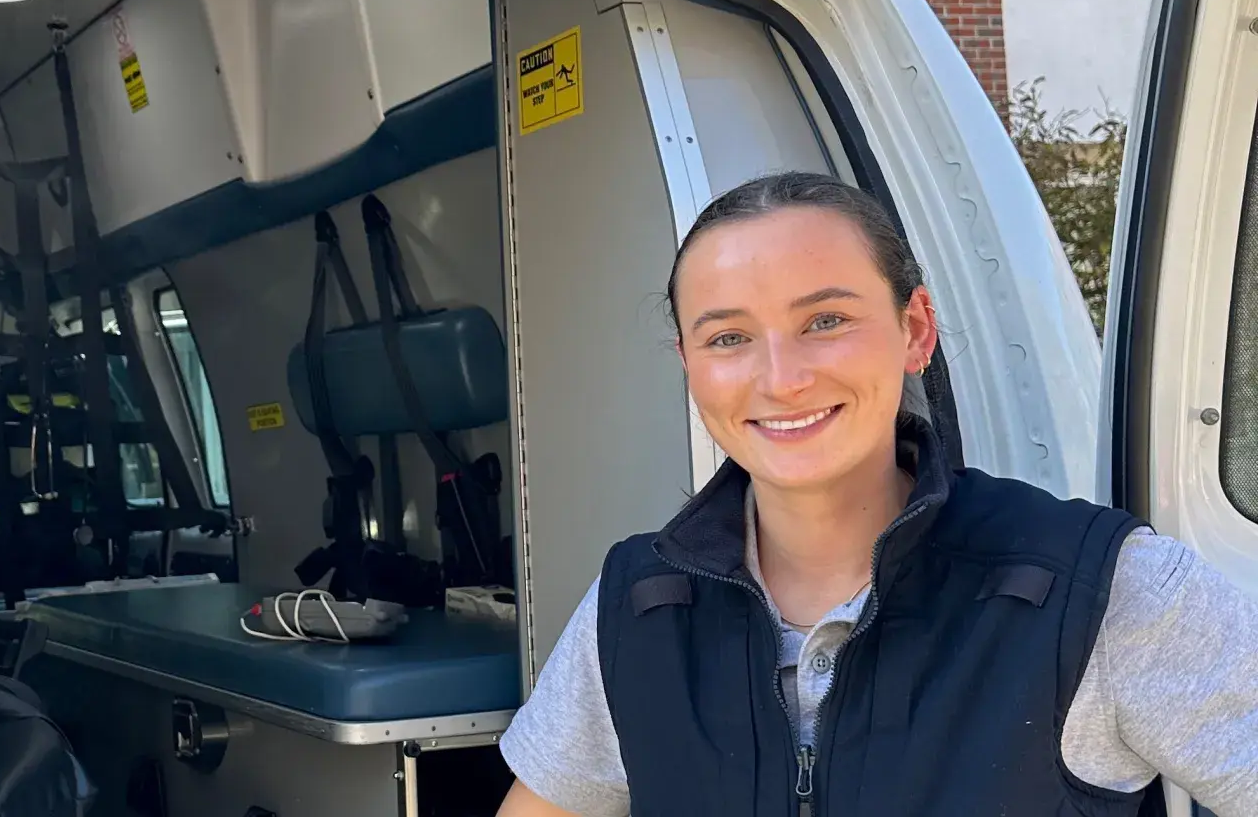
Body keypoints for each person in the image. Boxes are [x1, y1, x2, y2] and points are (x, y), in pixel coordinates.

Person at [494, 171, 1258, 816]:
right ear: (688, 363)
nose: (782, 377)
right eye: (728, 337)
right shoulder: (636, 606)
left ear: (916, 329)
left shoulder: (1099, 590)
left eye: (825, 320)